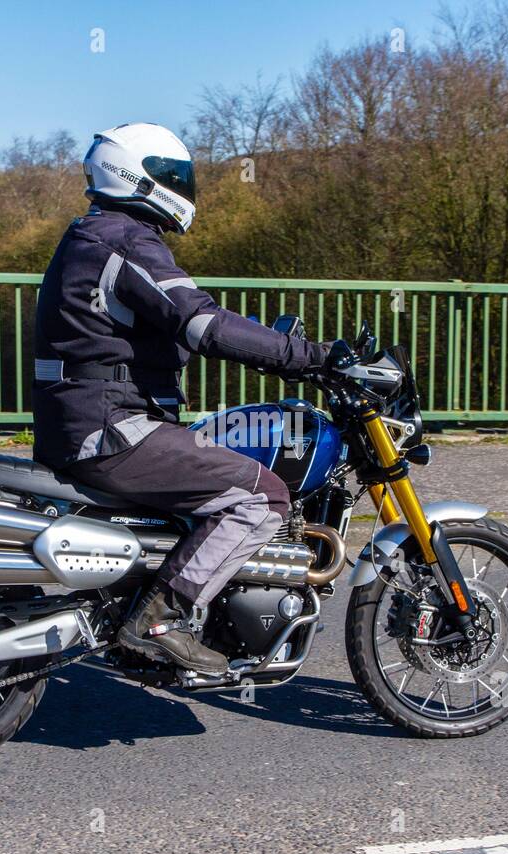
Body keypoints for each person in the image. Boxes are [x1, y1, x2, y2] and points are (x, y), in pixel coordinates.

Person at [32, 123, 327, 676]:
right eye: (174, 176)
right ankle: (160, 620)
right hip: (111, 428)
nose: (183, 187)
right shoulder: (126, 240)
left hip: (86, 421)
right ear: (137, 175)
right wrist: (309, 357)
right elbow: (202, 323)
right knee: (262, 495)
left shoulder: (93, 234)